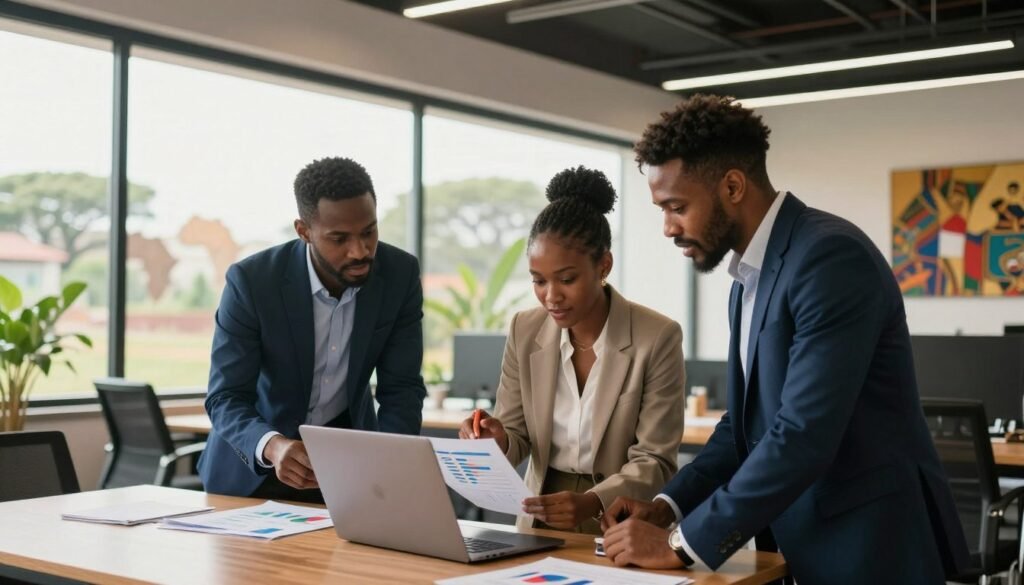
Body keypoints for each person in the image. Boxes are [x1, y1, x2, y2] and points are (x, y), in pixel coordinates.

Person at [600, 95, 969, 584]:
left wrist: (682, 547)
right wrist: (669, 507)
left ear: (732, 185)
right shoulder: (746, 281)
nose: (668, 227)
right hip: (804, 542)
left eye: (677, 206)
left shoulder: (829, 257)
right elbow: (743, 428)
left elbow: (802, 432)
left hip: (871, 547)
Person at [459, 166, 685, 535]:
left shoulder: (656, 337)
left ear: (603, 266)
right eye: (538, 280)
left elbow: (655, 459)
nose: (552, 296)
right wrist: (497, 439)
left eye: (567, 279)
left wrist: (593, 501)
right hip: (539, 516)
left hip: (621, 519)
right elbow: (517, 436)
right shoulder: (524, 330)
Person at [198, 156, 426, 501]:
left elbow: (402, 389)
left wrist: (388, 465)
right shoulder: (252, 282)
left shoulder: (399, 275)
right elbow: (225, 396)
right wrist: (272, 447)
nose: (360, 251)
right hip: (252, 473)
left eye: (369, 232)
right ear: (304, 231)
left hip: (348, 474)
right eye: (339, 238)